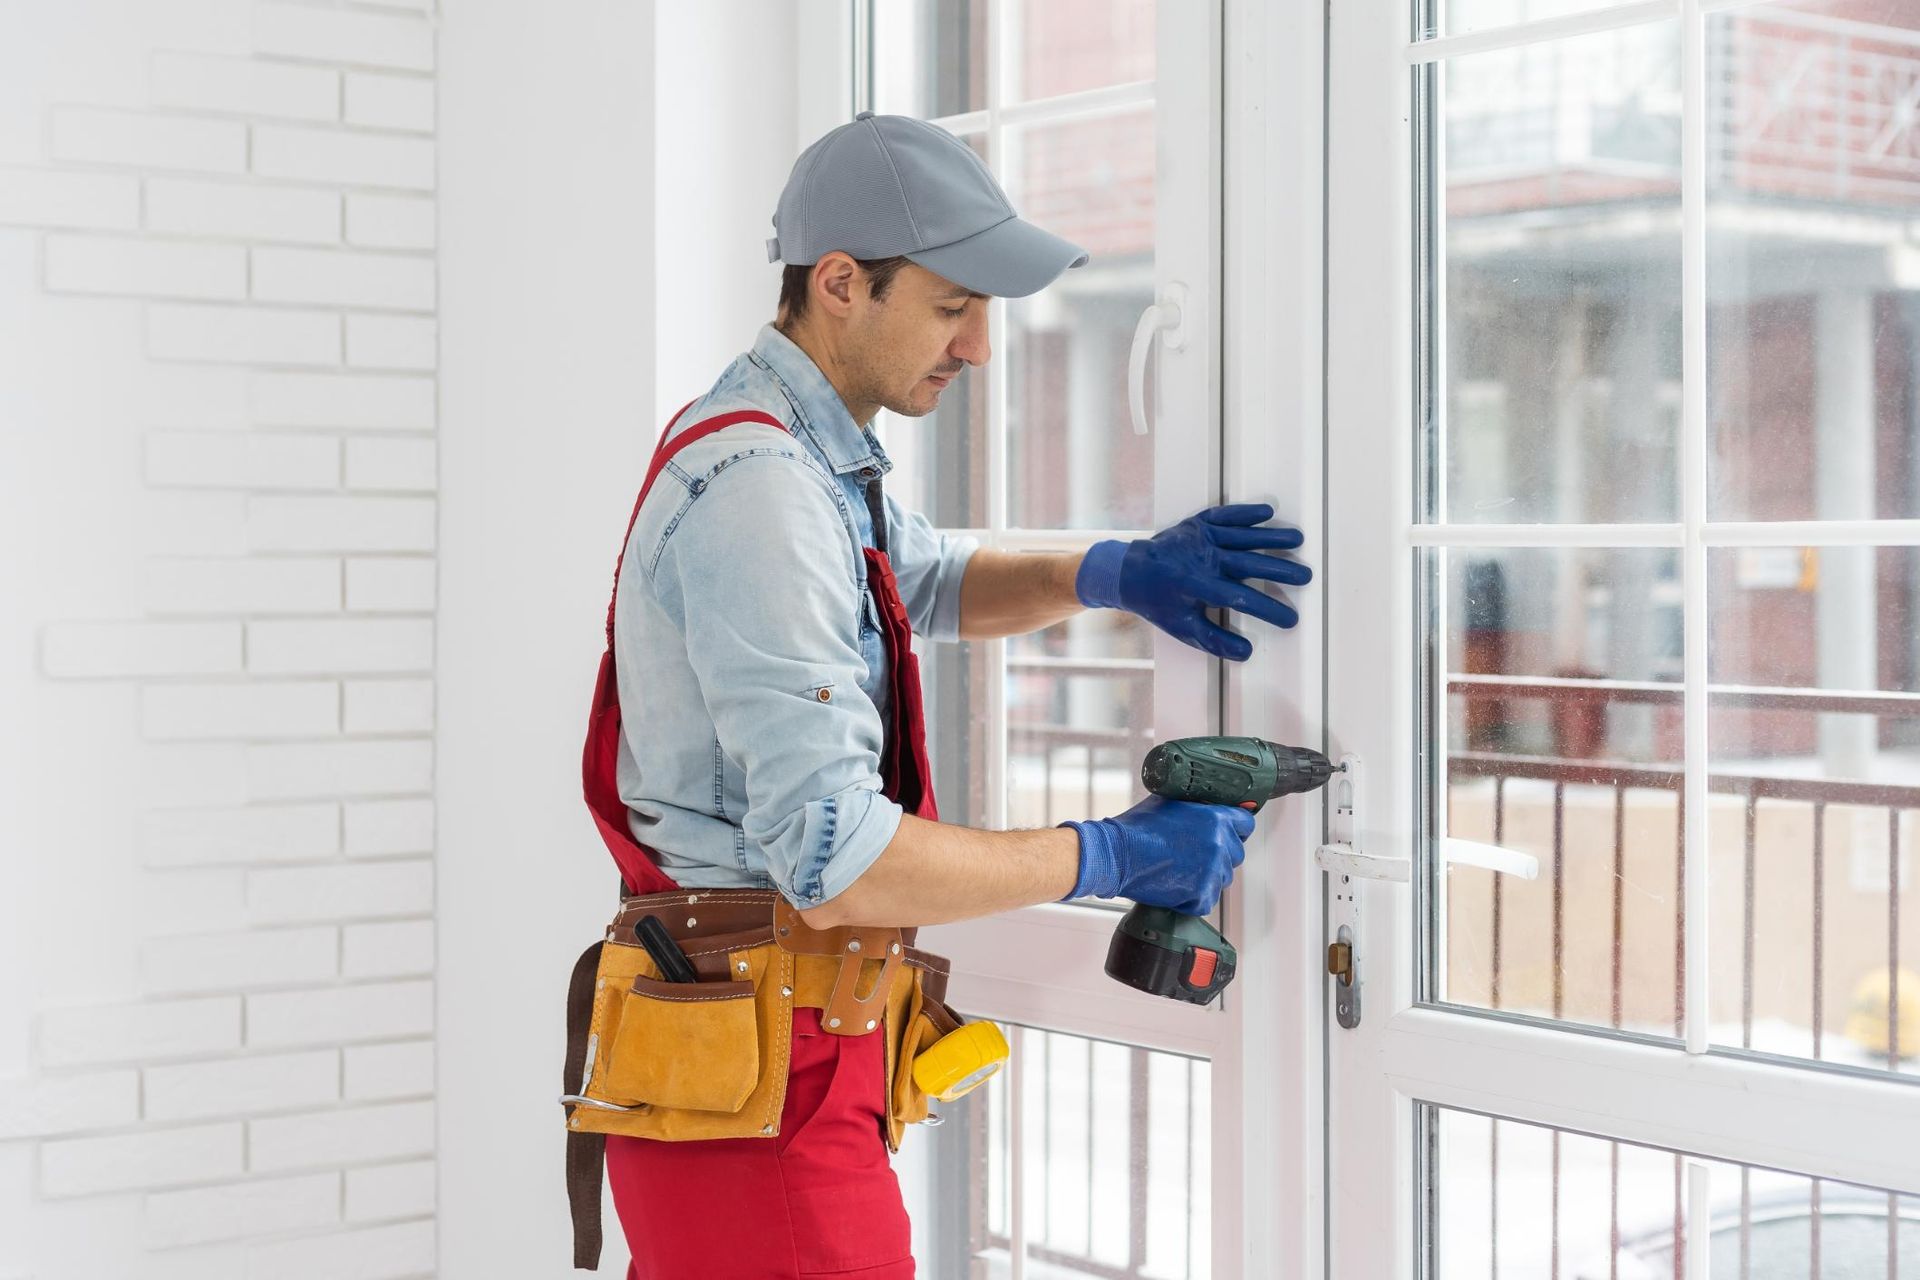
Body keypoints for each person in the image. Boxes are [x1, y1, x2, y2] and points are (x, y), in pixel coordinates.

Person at [584, 111, 1313, 1279]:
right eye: (952, 305)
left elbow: (916, 576)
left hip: (763, 1058)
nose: (978, 347)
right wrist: (1110, 854)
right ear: (839, 283)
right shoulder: (762, 485)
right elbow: (842, 859)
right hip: (757, 1089)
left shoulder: (795, 454)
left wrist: (1115, 568)